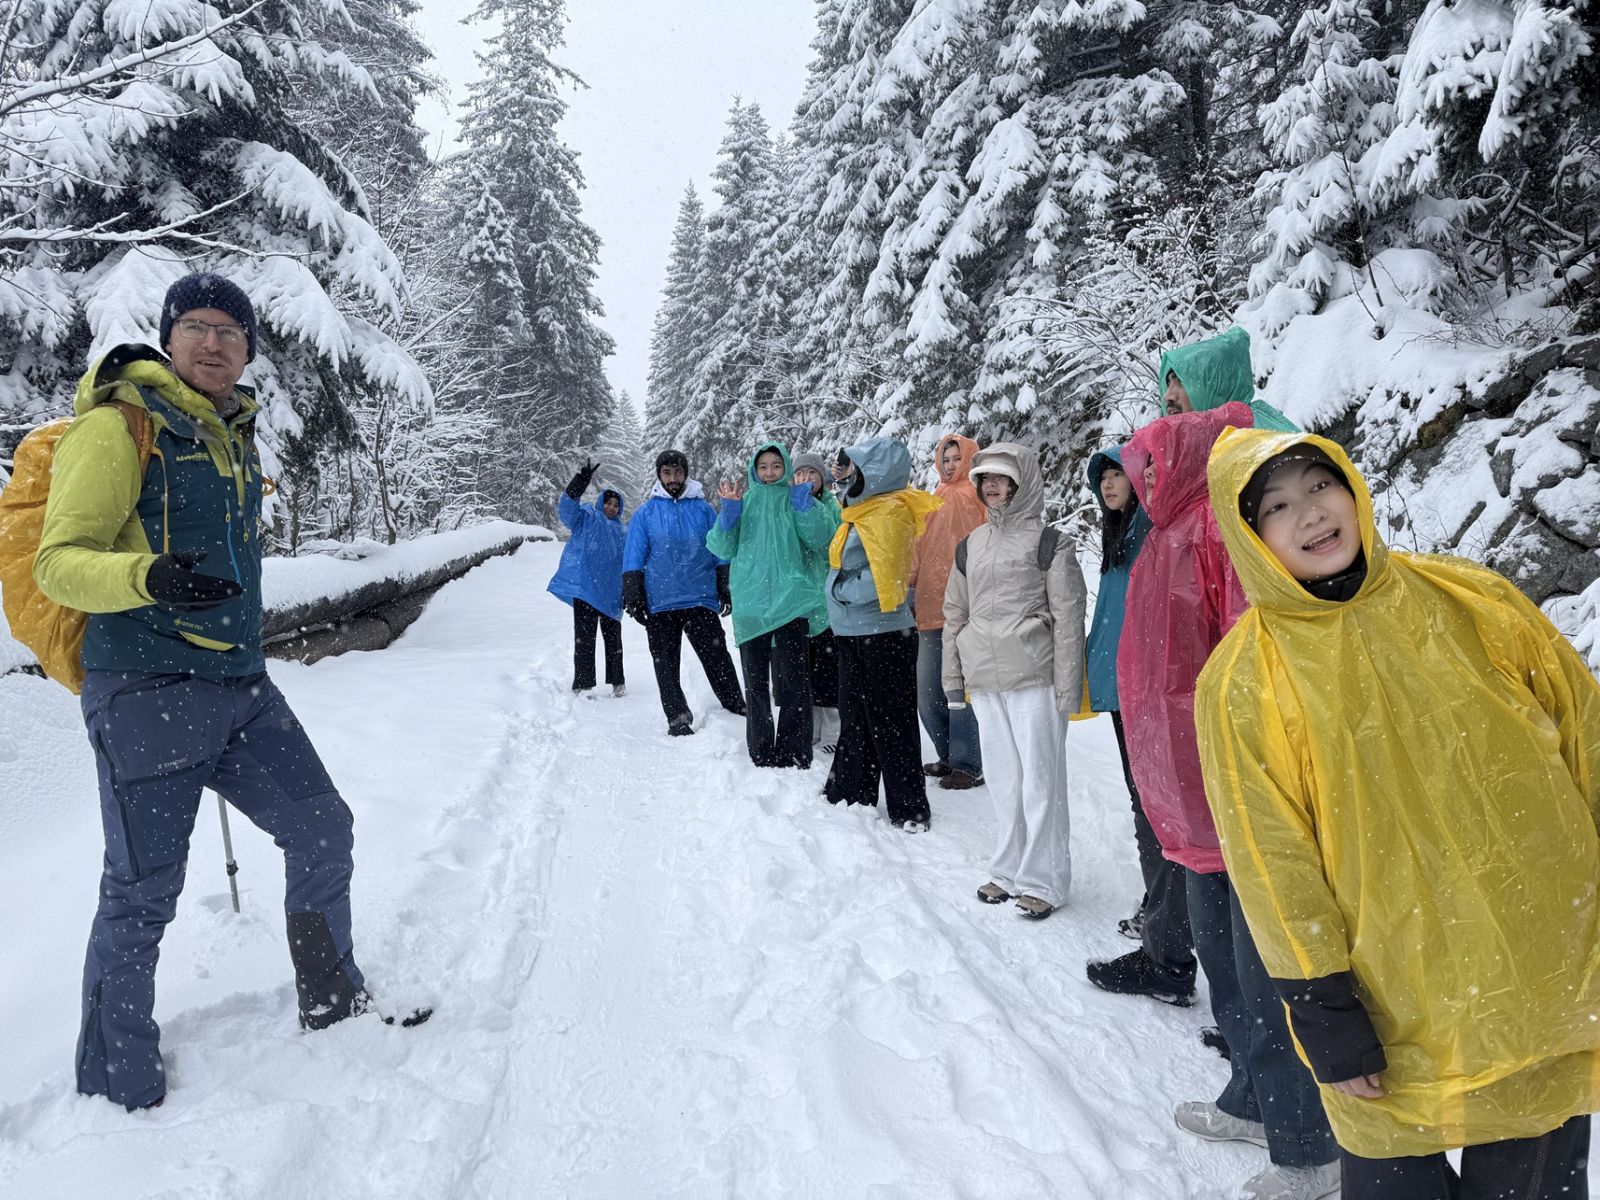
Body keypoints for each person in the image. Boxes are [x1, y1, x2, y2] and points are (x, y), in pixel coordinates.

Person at [34, 273, 421, 1113]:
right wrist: (149, 578)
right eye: (199, 327)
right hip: (144, 690)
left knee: (322, 826)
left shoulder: (230, 432)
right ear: (169, 337)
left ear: (249, 350)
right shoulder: (116, 426)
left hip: (240, 689)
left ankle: (331, 995)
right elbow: (56, 562)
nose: (215, 344)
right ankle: (115, 1079)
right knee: (141, 893)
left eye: (232, 333)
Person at [1199, 429, 1600, 1200]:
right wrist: (1323, 1010)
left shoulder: (1468, 600)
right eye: (1277, 506)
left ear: (1352, 488)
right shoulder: (1244, 681)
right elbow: (1271, 861)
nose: (1310, 514)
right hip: (1388, 1008)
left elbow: (1583, 729)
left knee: (1536, 1181)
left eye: (1320, 486)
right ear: (1250, 538)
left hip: (1539, 972)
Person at [1098, 402, 1340, 1200]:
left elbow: (1251, 657)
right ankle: (1252, 1100)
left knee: (1264, 977)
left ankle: (1309, 1150)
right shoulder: (1161, 530)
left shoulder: (1213, 529)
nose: (1145, 477)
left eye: (1160, 462)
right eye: (1144, 466)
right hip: (1189, 805)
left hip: (1230, 791)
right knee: (1224, 972)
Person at [941, 443, 1085, 919]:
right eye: (985, 480)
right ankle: (1007, 870)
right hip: (985, 677)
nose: (992, 487)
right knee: (1005, 780)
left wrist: (1068, 686)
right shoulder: (971, 545)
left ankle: (1045, 880)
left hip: (1034, 676)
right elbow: (955, 614)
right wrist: (954, 679)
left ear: (1022, 483)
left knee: (1042, 780)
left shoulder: (1049, 542)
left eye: (1001, 479)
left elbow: (1068, 619)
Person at [821, 437, 941, 831]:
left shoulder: (888, 513)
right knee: (856, 715)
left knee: (891, 720)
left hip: (884, 633)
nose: (845, 475)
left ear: (872, 474)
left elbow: (883, 577)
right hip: (854, 631)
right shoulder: (863, 509)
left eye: (853, 468)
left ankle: (909, 808)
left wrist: (838, 591)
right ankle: (852, 791)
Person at [707, 442, 839, 768]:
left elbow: (823, 539)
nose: (769, 472)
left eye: (775, 466)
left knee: (796, 682)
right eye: (763, 466)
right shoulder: (745, 501)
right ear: (754, 469)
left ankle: (793, 751)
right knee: (755, 684)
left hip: (791, 602)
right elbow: (721, 548)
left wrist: (804, 506)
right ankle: (761, 750)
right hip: (751, 606)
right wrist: (729, 515)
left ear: (785, 469)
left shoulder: (795, 499)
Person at [1083, 444, 1166, 942]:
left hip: (1148, 687)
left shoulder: (1150, 532)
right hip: (1123, 685)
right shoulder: (1117, 537)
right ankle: (1163, 904)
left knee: (1154, 802)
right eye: (1103, 479)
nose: (1109, 484)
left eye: (1117, 474)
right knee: (1145, 800)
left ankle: (1166, 911)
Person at [622, 450, 746, 736]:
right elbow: (634, 555)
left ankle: (735, 704)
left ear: (685, 474)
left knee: (718, 657)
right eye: (667, 473)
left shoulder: (703, 509)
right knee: (665, 664)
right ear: (659, 476)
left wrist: (724, 585)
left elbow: (718, 548)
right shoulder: (646, 513)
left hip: (699, 597)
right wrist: (633, 593)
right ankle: (677, 716)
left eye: (678, 472)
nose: (673, 479)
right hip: (660, 601)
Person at [909, 434, 987, 789]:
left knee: (960, 691)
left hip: (965, 608)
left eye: (958, 458)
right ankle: (948, 755)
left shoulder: (978, 496)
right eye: (947, 458)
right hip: (928, 607)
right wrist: (906, 586)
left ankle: (969, 763)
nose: (952, 464)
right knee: (929, 692)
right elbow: (917, 549)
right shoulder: (933, 497)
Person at [547, 459, 626, 696]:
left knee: (614, 641)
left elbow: (630, 562)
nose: (611, 507)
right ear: (601, 502)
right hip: (585, 589)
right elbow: (566, 509)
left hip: (612, 592)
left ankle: (618, 682)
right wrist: (579, 483)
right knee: (584, 638)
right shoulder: (587, 517)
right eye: (608, 503)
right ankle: (583, 684)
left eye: (615, 505)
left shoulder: (624, 531)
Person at [792, 452, 842, 753]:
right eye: (800, 474)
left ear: (822, 478)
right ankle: (809, 729)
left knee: (828, 672)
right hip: (797, 602)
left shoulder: (831, 506)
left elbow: (830, 542)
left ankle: (832, 734)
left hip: (826, 600)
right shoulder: (786, 505)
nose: (805, 479)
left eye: (811, 473)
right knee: (803, 673)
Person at [1158, 326, 1296, 431]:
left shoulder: (1258, 443)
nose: (1167, 395)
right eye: (1168, 383)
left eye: (1181, 381)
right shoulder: (1187, 449)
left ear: (1218, 389)